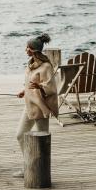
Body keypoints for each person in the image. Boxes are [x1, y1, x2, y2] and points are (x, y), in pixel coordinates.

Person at [14, 33, 59, 176]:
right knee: (20, 135)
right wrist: (24, 91)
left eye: (28, 47)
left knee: (42, 140)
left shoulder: (46, 67)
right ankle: (28, 166)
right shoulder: (31, 65)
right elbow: (30, 84)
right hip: (29, 105)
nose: (25, 49)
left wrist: (39, 87)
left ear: (34, 50)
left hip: (41, 108)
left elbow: (51, 87)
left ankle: (41, 170)